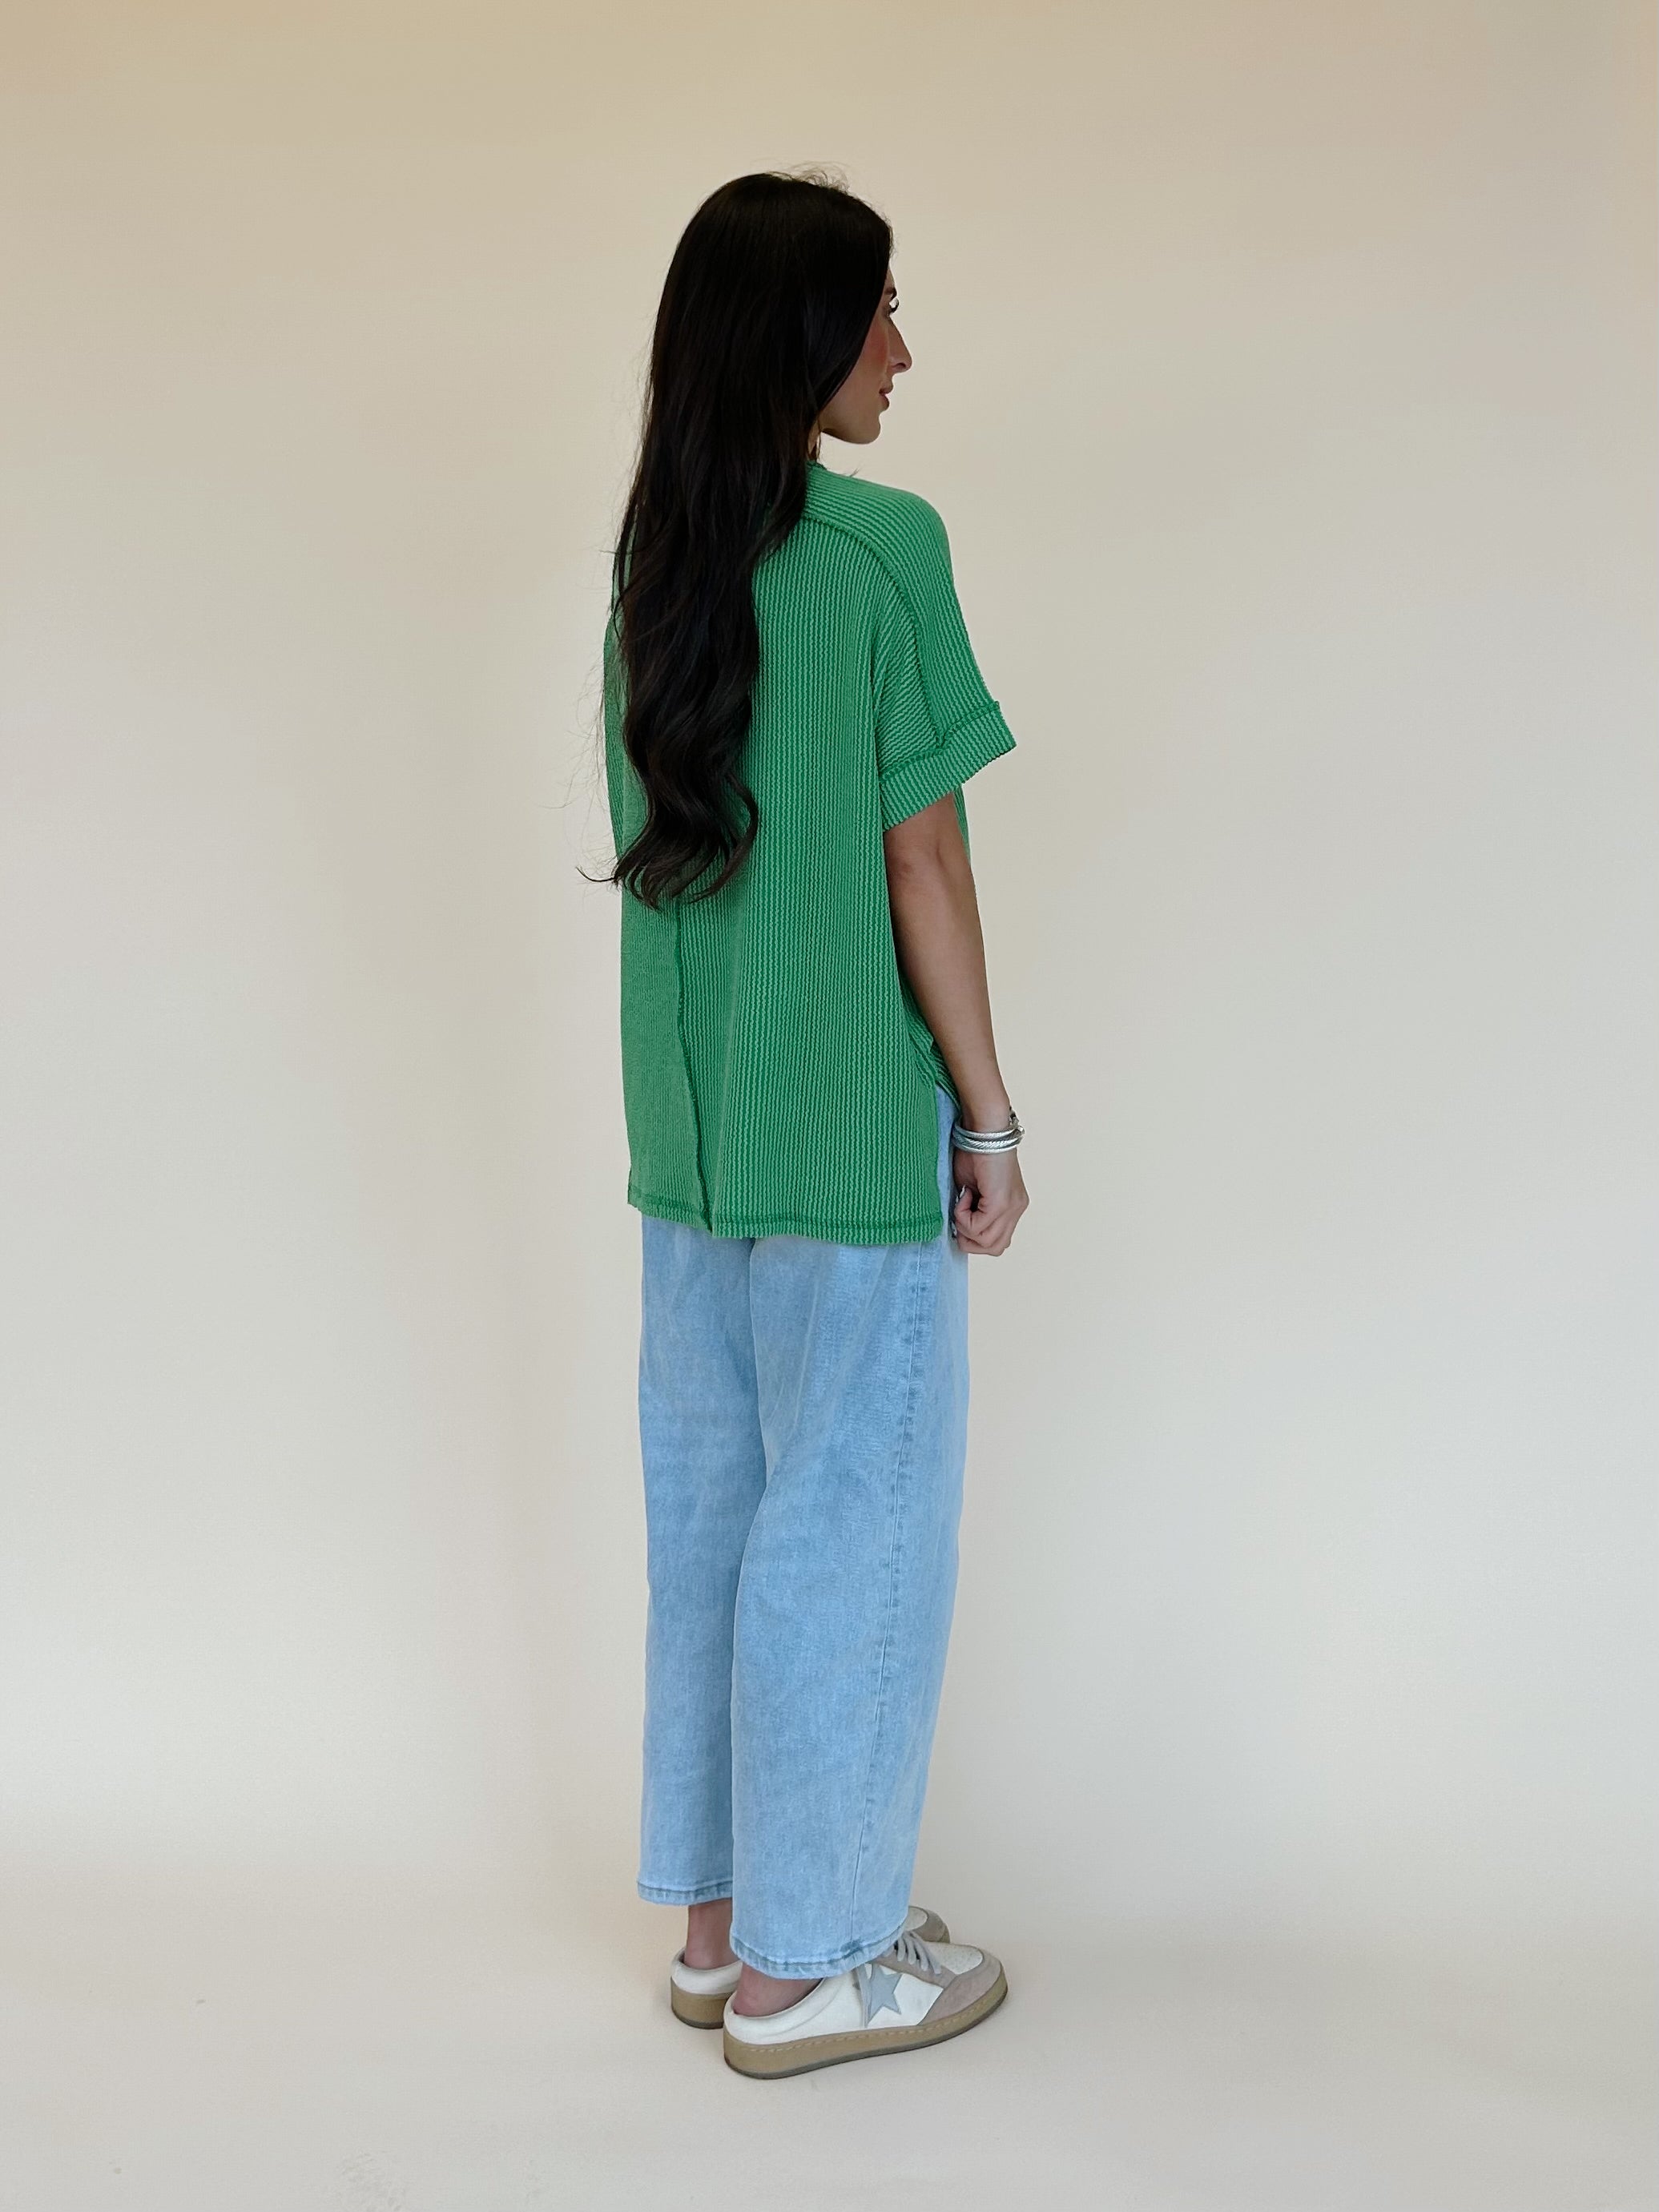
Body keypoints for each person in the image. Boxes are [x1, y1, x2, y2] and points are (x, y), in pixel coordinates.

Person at [601, 171, 1027, 2080]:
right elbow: (922, 860)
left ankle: (716, 1933)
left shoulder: (653, 571)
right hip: (846, 1119)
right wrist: (988, 1119)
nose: (901, 351)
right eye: (878, 314)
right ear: (802, 340)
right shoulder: (881, 550)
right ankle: (814, 1961)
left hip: (689, 1137)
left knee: (711, 1517)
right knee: (848, 1522)